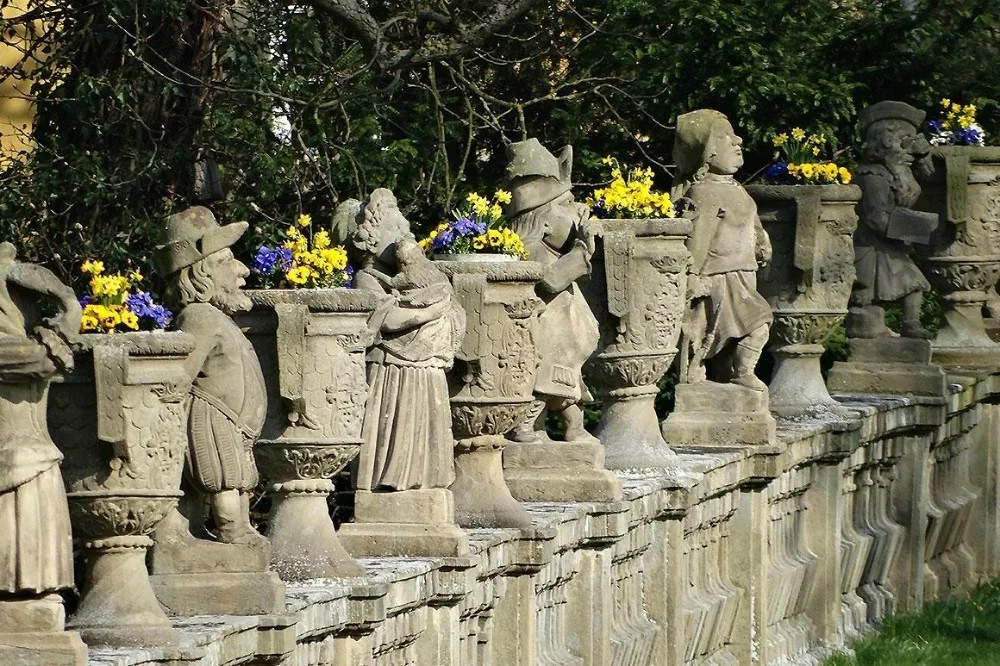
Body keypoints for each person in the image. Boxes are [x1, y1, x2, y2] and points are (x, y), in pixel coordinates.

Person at [156, 206, 266, 545]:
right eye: (226, 262)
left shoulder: (216, 317)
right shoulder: (199, 317)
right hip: (213, 417)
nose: (241, 270)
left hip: (233, 422)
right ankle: (230, 530)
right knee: (221, 476)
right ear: (200, 273)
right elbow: (181, 376)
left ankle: (239, 526)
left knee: (236, 476)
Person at [342, 189, 466, 492]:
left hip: (425, 367)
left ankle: (426, 484)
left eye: (406, 229)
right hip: (395, 370)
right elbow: (390, 319)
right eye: (397, 229)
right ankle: (391, 484)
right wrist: (434, 309)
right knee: (398, 431)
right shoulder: (367, 279)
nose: (405, 236)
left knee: (427, 433)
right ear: (369, 240)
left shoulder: (417, 275)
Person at [505, 138, 601, 443]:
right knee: (545, 383)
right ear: (544, 223)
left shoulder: (553, 250)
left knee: (567, 383)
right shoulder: (531, 251)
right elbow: (551, 281)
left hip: (565, 342)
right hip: (546, 340)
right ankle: (528, 426)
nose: (577, 212)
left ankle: (573, 426)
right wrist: (583, 247)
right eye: (567, 205)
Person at [0, 241, 80, 603]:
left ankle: (36, 600)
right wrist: (69, 306)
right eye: (22, 298)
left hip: (33, 459)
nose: (30, 306)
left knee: (38, 566)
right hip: (15, 464)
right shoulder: (6, 348)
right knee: (19, 560)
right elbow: (45, 360)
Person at [672, 109, 773, 390]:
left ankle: (726, 380)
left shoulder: (737, 188)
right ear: (708, 153)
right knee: (757, 324)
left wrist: (762, 241)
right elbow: (698, 239)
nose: (737, 140)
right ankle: (743, 373)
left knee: (730, 338)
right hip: (720, 277)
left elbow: (752, 224)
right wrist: (691, 276)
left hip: (745, 272)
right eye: (726, 137)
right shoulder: (704, 193)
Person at [848, 101, 938, 339]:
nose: (909, 151)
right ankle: (891, 328)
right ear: (885, 144)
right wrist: (915, 229)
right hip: (873, 247)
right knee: (879, 294)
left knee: (911, 284)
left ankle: (909, 324)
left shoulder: (898, 173)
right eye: (903, 144)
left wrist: (924, 156)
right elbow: (875, 218)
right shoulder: (872, 176)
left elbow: (928, 179)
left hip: (891, 246)